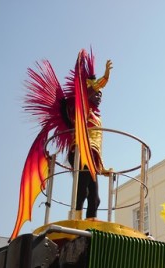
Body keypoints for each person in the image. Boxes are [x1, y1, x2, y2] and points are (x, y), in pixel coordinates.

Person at [68, 58, 113, 221]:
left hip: (91, 157)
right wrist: (106, 76)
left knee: (95, 198)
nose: (99, 96)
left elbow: (96, 147)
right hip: (80, 152)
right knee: (82, 191)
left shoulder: (96, 117)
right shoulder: (83, 108)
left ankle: (90, 223)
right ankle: (75, 220)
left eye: (101, 94)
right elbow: (94, 87)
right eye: (97, 93)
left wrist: (102, 168)